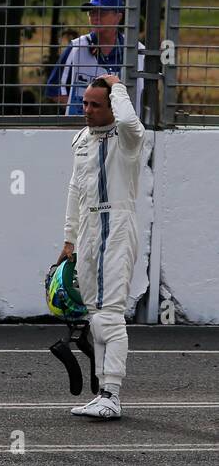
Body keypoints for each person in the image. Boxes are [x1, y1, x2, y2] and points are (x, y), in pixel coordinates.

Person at [59, 74, 145, 420]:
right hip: (89, 230)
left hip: (118, 226)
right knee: (95, 315)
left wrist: (118, 85)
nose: (88, 110)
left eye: (96, 104)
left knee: (110, 314)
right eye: (85, 103)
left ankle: (112, 393)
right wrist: (69, 239)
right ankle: (102, 393)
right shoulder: (81, 138)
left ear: (111, 105)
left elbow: (128, 119)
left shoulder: (127, 138)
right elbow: (75, 190)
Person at [46, 0, 145, 116]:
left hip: (125, 131)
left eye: (102, 13)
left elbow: (149, 95)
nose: (95, 18)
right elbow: (55, 90)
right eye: (92, 13)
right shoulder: (77, 47)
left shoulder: (137, 51)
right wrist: (89, 113)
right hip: (84, 128)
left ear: (118, 17)